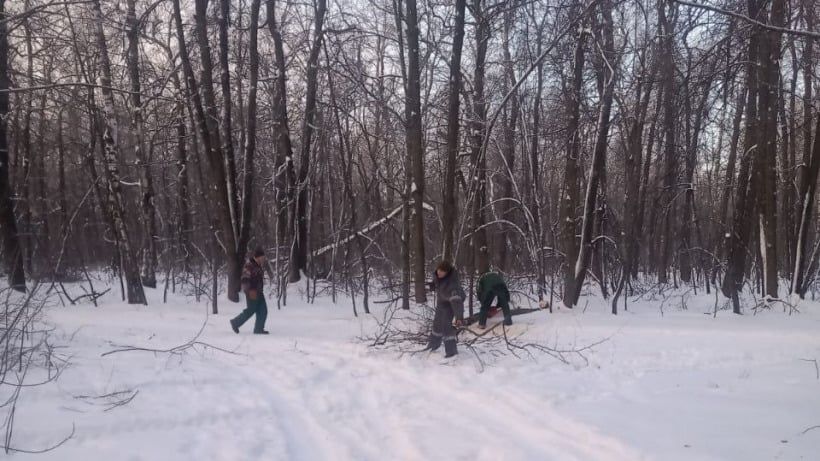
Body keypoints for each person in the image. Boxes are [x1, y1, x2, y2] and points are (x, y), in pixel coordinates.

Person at [427, 260, 465, 357]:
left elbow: (457, 303)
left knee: (446, 326)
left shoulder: (452, 286)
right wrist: (432, 285)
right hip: (442, 302)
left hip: (451, 304)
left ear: (447, 273)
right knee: (437, 324)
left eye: (442, 271)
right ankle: (433, 345)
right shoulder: (439, 276)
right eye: (439, 269)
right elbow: (437, 281)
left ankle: (451, 352)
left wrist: (459, 317)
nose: (439, 272)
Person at [230, 248, 269, 334]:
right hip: (252, 292)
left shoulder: (258, 265)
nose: (263, 259)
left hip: (259, 291)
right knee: (251, 310)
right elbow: (244, 279)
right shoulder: (249, 265)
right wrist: (249, 291)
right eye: (262, 258)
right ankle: (235, 323)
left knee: (263, 310)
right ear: (258, 257)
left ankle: (258, 329)